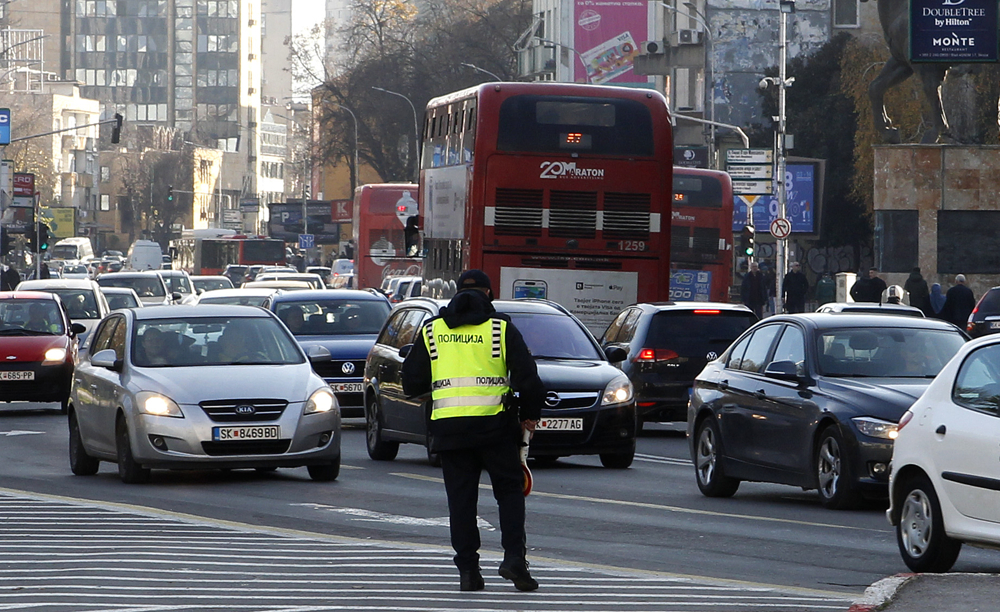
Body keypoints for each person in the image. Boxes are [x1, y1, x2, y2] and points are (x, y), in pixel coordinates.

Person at [402, 269, 545, 593]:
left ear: (455, 294)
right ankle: (513, 560)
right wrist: (529, 416)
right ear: (490, 295)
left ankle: (468, 572)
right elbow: (529, 379)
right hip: (495, 428)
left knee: (461, 503)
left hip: (450, 432)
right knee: (509, 494)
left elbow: (411, 383)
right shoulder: (500, 329)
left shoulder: (432, 330)